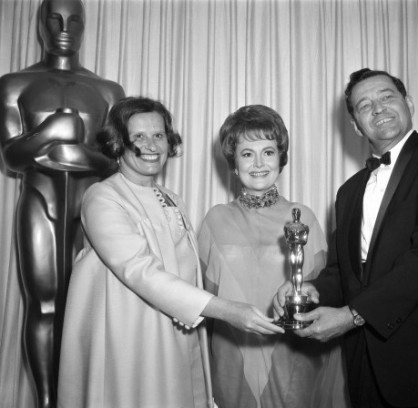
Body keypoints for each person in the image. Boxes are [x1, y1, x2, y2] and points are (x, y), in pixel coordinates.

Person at [274, 68, 418, 407]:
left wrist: (351, 315)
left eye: (387, 97)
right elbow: (343, 271)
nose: (378, 109)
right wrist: (310, 289)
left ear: (408, 103)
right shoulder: (348, 192)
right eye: (365, 105)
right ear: (355, 124)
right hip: (368, 370)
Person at [57, 97, 283, 408]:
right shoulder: (103, 197)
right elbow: (140, 271)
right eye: (138, 136)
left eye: (159, 135)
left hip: (178, 332)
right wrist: (228, 310)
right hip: (129, 338)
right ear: (117, 143)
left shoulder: (171, 198)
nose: (151, 145)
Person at [0, 1, 125, 407]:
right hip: (40, 201)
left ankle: (82, 397)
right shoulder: (14, 84)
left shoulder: (107, 91)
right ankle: (48, 402)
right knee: (45, 304)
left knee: (85, 308)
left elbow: (112, 162)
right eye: (54, 18)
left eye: (73, 19)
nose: (63, 27)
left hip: (91, 209)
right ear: (40, 24)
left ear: (85, 26)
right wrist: (51, 131)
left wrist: (63, 153)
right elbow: (12, 157)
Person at [198, 105, 347, 408]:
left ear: (281, 158)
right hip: (231, 356)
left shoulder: (302, 216)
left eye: (268, 152)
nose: (258, 163)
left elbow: (324, 293)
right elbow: (203, 301)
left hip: (296, 356)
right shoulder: (215, 219)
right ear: (233, 162)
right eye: (247, 153)